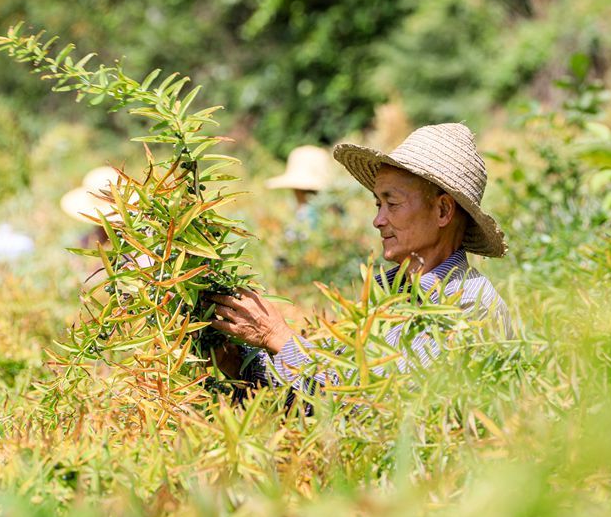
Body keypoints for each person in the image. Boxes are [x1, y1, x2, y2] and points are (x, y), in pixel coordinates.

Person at [207, 123, 509, 390]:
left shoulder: (468, 306)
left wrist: (276, 335)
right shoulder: (391, 292)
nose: (378, 220)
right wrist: (241, 364)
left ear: (442, 210)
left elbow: (374, 401)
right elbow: (324, 385)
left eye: (392, 204)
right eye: (378, 204)